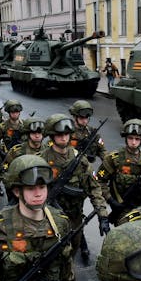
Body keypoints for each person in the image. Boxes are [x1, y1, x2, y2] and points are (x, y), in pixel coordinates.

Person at [40, 114, 110, 268]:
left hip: (74, 217)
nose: (64, 138)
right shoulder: (42, 160)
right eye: (59, 134)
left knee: (72, 251)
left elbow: (94, 188)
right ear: (52, 136)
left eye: (66, 134)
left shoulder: (80, 160)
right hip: (49, 218)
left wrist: (102, 215)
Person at [97, 118, 141, 224]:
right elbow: (99, 181)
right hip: (121, 207)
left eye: (137, 139)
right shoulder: (114, 159)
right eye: (130, 138)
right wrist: (110, 199)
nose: (133, 142)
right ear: (125, 138)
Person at [68, 99, 106, 165]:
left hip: (86, 168)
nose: (85, 121)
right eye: (82, 118)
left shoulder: (91, 132)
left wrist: (108, 162)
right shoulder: (66, 132)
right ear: (74, 116)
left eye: (87, 118)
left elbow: (102, 150)